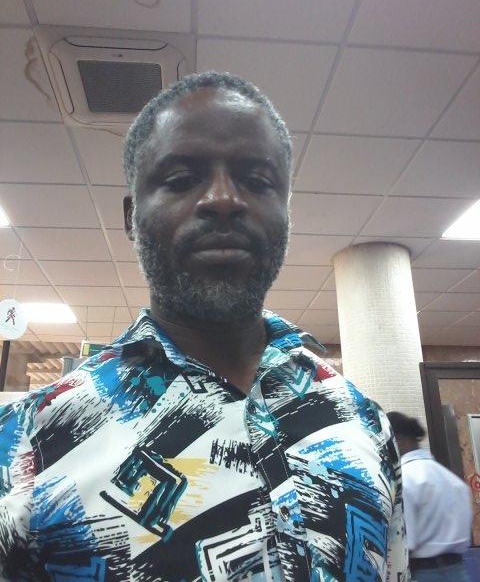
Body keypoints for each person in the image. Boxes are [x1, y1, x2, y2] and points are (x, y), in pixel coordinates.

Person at [0, 72, 409, 581]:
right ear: (130, 218)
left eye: (256, 180)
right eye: (180, 179)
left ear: (285, 214)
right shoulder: (27, 443)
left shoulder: (364, 422)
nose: (223, 199)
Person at [387, 411, 472, 582]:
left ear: (399, 441)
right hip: (459, 571)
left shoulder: (405, 480)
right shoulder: (453, 480)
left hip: (424, 573)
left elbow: (405, 542)